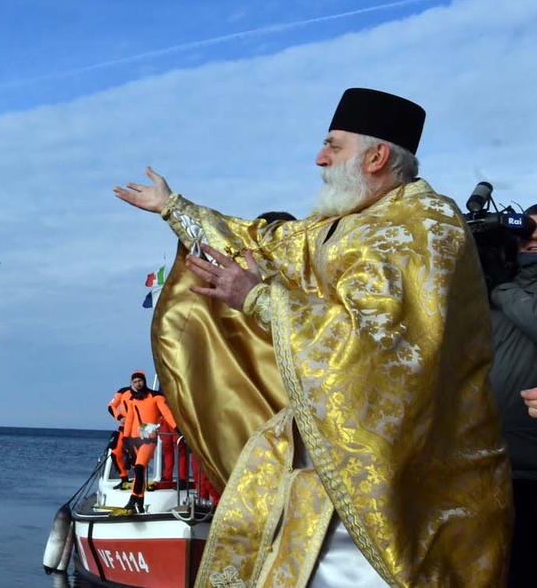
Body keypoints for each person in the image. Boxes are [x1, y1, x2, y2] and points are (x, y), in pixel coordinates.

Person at [113, 88, 510, 586]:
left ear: (376, 157)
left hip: (401, 493)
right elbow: (260, 241)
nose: (320, 159)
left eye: (333, 146)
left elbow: (382, 348)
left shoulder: (424, 229)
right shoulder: (343, 225)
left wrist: (259, 300)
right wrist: (173, 207)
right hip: (325, 479)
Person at [490, 203, 537, 587]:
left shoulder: (503, 291)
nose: (532, 239)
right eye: (525, 234)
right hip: (487, 470)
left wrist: (503, 289)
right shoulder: (489, 291)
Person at [117, 370, 178, 513]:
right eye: (135, 382)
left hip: (149, 439)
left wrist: (177, 428)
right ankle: (140, 502)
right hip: (134, 440)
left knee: (139, 468)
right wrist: (125, 438)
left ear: (144, 381)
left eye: (140, 381)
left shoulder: (156, 397)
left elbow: (166, 413)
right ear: (132, 384)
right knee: (140, 472)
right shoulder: (133, 400)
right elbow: (129, 419)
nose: (138, 384)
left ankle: (133, 499)